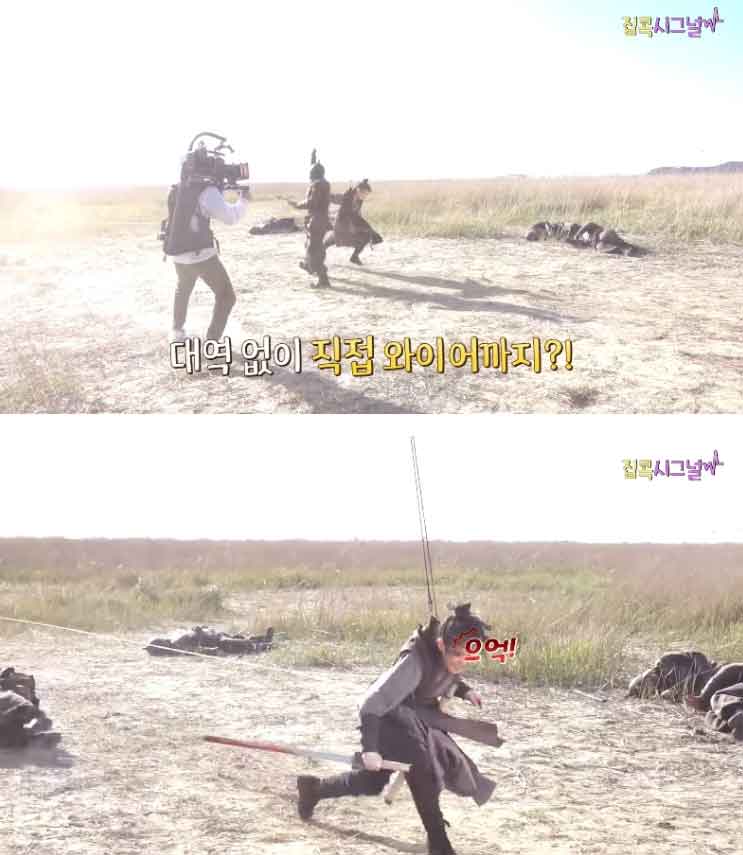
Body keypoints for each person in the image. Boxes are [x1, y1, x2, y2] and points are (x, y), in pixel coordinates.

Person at [296, 604, 501, 855]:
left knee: (373, 782)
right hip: (387, 717)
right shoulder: (414, 662)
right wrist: (370, 748)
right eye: (457, 654)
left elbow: (444, 674)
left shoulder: (449, 652)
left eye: (470, 654)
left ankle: (314, 789)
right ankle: (439, 843)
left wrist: (464, 690)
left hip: (416, 719)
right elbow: (372, 703)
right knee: (423, 771)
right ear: (440, 645)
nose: (463, 661)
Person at [163, 144, 250, 342]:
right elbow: (230, 217)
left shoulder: (177, 189)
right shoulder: (206, 191)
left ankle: (176, 331)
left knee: (183, 287)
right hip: (200, 254)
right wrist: (244, 200)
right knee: (226, 296)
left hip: (177, 252)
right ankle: (212, 341)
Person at [288, 150, 332, 288]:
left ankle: (323, 279)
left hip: (317, 221)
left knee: (314, 250)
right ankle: (309, 265)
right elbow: (315, 170)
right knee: (310, 245)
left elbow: (312, 202)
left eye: (310, 173)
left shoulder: (317, 185)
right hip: (320, 220)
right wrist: (312, 159)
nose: (309, 175)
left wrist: (297, 204)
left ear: (314, 174)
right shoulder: (323, 182)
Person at [325, 178, 383, 265]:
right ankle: (315, 255)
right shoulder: (346, 197)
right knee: (327, 243)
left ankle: (354, 257)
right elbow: (332, 197)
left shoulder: (359, 200)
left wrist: (367, 228)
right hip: (341, 227)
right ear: (359, 190)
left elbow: (357, 216)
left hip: (350, 227)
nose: (365, 196)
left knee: (367, 235)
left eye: (367, 194)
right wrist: (321, 195)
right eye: (365, 193)